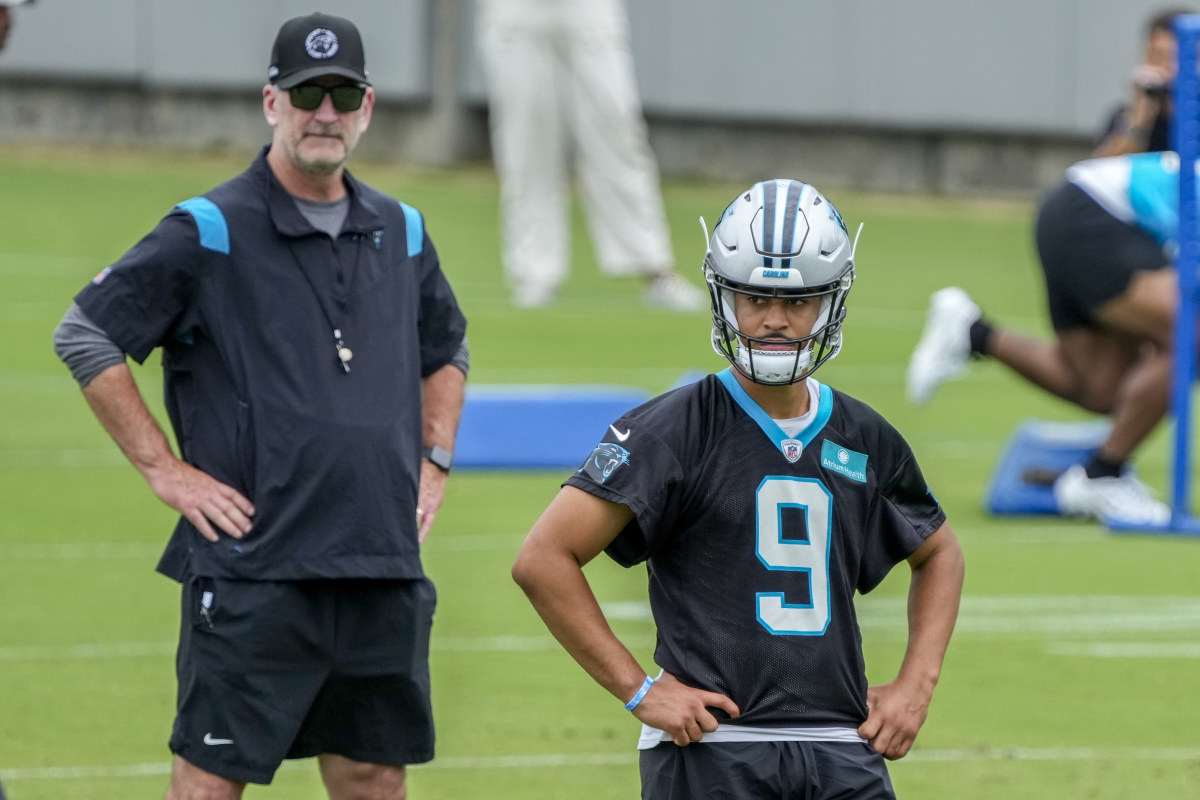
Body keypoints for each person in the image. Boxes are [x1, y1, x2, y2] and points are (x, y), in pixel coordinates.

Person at [53, 12, 468, 798]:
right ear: (271, 102)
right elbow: (85, 336)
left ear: (367, 108)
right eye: (306, 92)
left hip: (378, 567)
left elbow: (446, 349)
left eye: (343, 94)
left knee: (375, 778)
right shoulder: (208, 228)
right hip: (253, 573)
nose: (325, 112)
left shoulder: (403, 230)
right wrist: (165, 472)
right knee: (210, 785)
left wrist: (434, 460)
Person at [513, 179, 964, 799]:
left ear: (832, 302)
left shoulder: (864, 434)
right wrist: (639, 689)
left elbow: (939, 553)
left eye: (799, 301)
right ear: (723, 296)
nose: (775, 319)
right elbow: (543, 558)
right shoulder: (674, 429)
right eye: (754, 297)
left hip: (841, 747)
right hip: (713, 749)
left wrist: (917, 684)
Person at [908, 150, 1183, 526]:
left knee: (1108, 389)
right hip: (1093, 215)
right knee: (1190, 333)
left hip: (1070, 214)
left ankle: (974, 333)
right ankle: (1102, 475)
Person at [476, 0, 707, 311]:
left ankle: (655, 270)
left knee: (616, 132)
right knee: (526, 142)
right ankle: (535, 274)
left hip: (586, 10)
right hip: (517, 12)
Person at [1093, 7, 1193, 157]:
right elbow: (1101, 173)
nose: (1166, 67)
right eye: (1157, 56)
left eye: (1175, 57)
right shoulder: (1125, 117)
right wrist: (1139, 120)